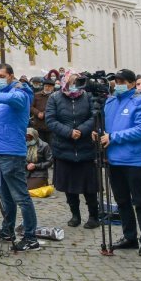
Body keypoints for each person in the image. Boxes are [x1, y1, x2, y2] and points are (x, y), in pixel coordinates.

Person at [98, 69, 141, 257]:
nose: (117, 84)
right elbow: (106, 127)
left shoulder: (140, 102)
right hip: (114, 159)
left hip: (134, 160)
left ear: (131, 83)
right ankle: (129, 236)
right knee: (122, 201)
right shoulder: (111, 101)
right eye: (116, 81)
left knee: (140, 202)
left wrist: (114, 137)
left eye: (121, 81)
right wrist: (99, 133)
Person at [0, 63, 39, 252]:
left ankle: (31, 236)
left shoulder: (19, 92)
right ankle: (8, 230)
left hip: (11, 153)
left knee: (21, 197)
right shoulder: (2, 96)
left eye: (1, 75)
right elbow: (3, 117)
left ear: (11, 76)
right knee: (5, 196)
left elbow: (15, 101)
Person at [45, 73, 98, 228]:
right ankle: (75, 215)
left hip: (85, 146)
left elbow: (93, 116)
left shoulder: (87, 97)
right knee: (69, 186)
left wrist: (81, 130)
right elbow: (51, 120)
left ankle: (94, 215)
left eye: (77, 82)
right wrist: (68, 132)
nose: (74, 85)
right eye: (71, 82)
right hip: (64, 147)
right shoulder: (55, 97)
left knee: (90, 186)